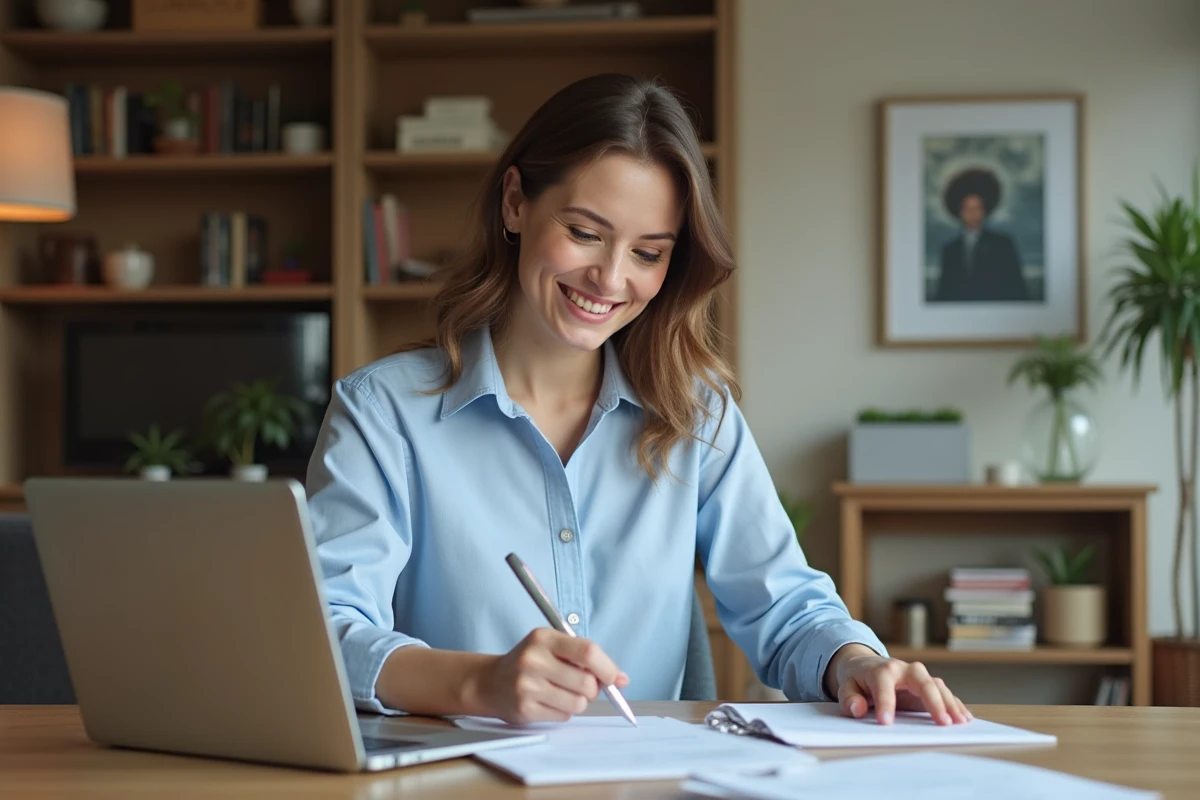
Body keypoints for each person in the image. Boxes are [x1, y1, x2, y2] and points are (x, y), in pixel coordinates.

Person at [306, 73, 971, 727]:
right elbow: (326, 632)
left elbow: (785, 606)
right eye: (586, 233)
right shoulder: (383, 412)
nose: (610, 278)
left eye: (649, 253)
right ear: (515, 202)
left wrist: (854, 662)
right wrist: (480, 683)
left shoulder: (695, 414)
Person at [931, 167, 1029, 303]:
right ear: (958, 211)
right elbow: (944, 294)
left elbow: (1018, 290)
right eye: (967, 208)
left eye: (977, 208)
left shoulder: (1003, 244)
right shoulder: (950, 250)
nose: (972, 214)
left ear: (985, 210)